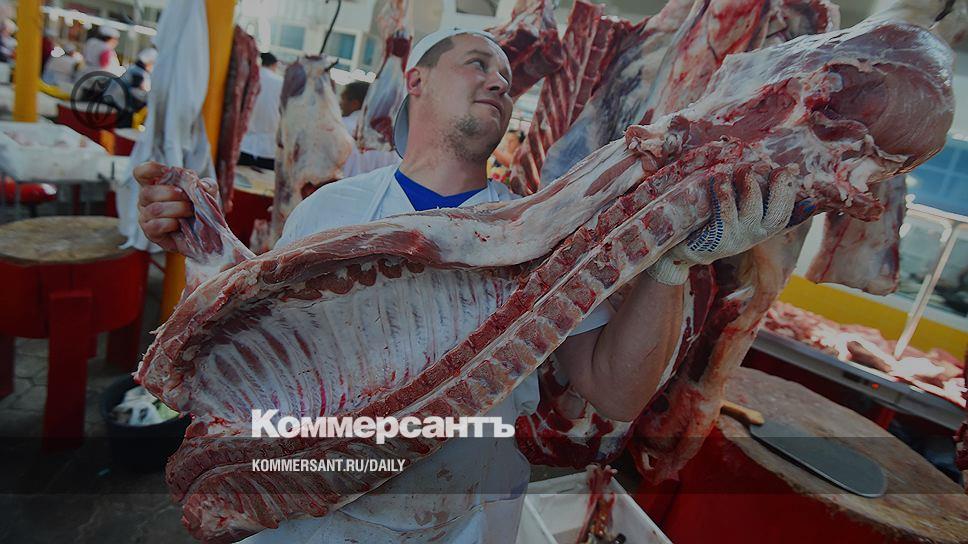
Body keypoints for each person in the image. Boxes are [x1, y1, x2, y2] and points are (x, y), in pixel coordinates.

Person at [133, 27, 797, 543]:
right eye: (478, 64)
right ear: (416, 80)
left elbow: (616, 392)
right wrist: (196, 237)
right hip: (313, 511)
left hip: (460, 520)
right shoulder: (331, 209)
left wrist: (671, 264)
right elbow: (267, 359)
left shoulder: (542, 235)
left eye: (507, 77)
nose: (500, 82)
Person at [339, 80, 401, 176]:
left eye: (343, 99)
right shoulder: (393, 139)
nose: (340, 104)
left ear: (355, 103)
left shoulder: (341, 127)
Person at [238, 52, 283, 170]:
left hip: (243, 145)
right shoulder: (280, 82)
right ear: (274, 65)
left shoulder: (248, 78)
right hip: (268, 150)